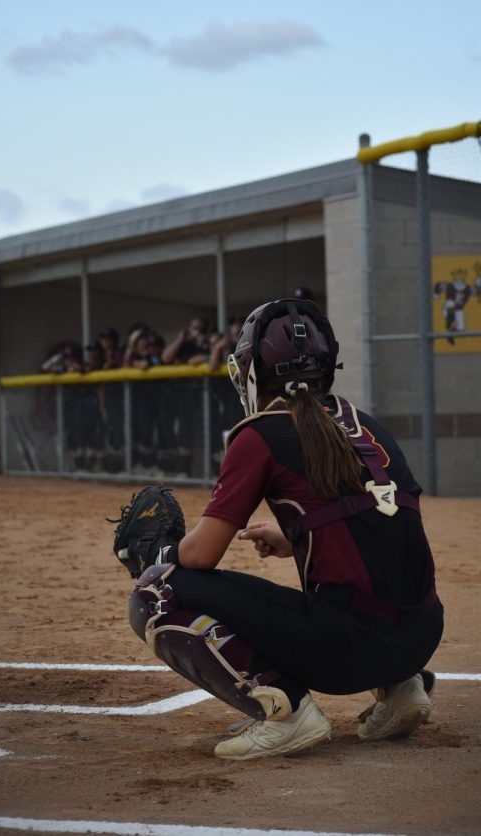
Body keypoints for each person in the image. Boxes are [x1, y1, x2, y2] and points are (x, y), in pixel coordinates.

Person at [128, 298, 443, 760]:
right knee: (373, 597)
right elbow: (383, 519)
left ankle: (286, 713)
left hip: (351, 651)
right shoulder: (363, 422)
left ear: (256, 370)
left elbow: (200, 556)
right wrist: (292, 535)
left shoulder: (259, 433)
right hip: (422, 634)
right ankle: (401, 689)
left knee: (155, 592)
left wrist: (159, 555)